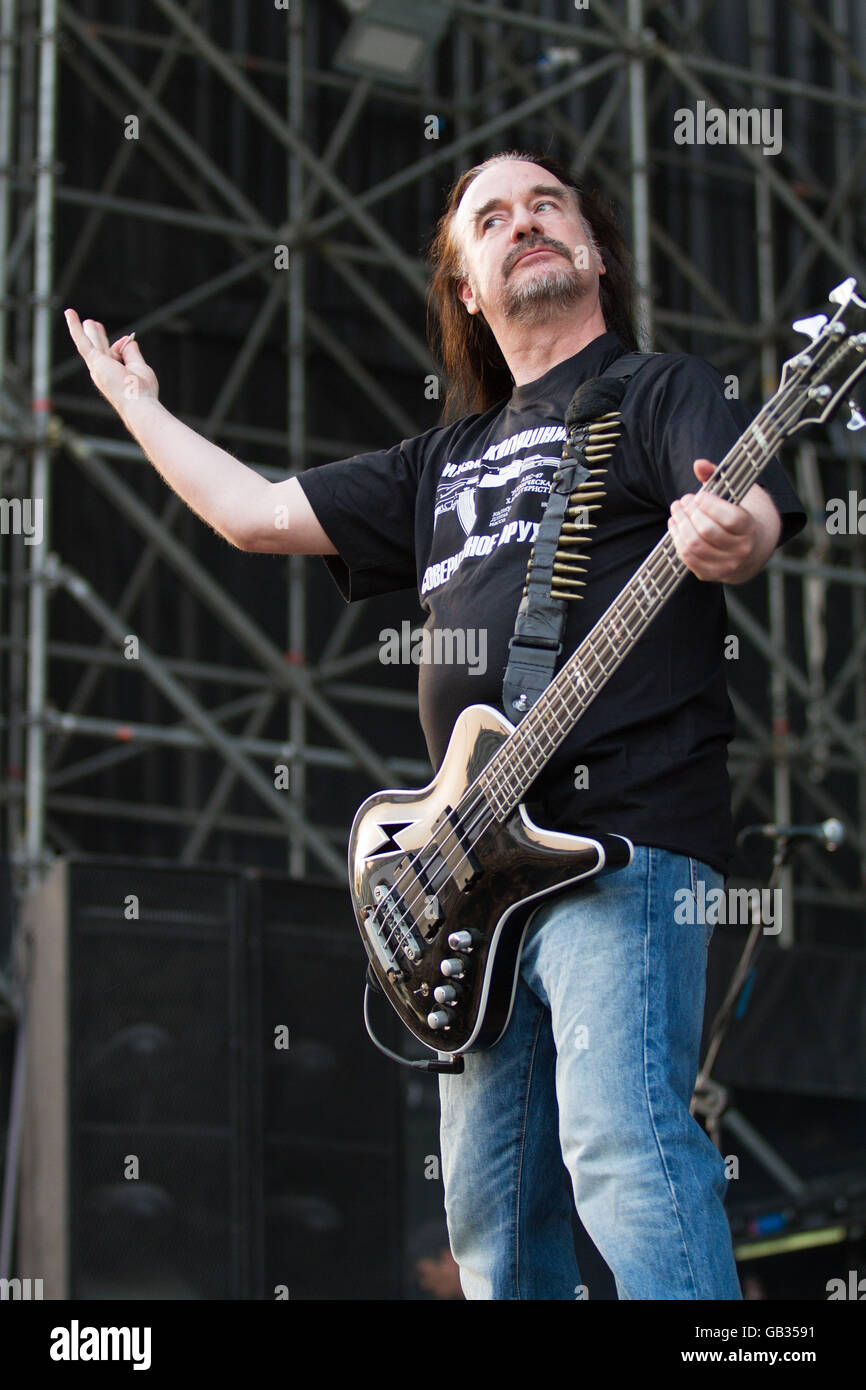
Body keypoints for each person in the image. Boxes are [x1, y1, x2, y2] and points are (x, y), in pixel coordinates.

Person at [65, 149, 806, 1301]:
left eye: (548, 205)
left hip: (624, 839)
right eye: (493, 217)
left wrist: (736, 535)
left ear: (592, 249)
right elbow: (254, 515)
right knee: (493, 1221)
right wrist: (136, 407)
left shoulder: (660, 389)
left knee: (622, 1149)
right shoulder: (437, 461)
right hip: (468, 880)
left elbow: (745, 502)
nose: (526, 224)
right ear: (467, 286)